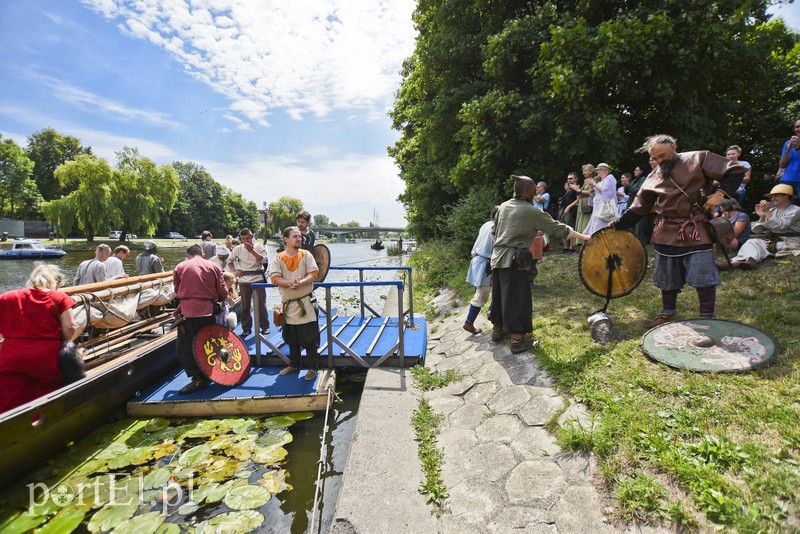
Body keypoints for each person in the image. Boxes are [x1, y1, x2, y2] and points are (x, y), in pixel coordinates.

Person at [613, 134, 746, 327]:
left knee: (703, 272)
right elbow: (637, 209)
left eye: (662, 155)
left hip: (696, 227)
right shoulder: (652, 177)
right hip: (665, 230)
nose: (659, 161)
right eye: (655, 158)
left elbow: (735, 171)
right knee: (666, 274)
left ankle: (707, 316)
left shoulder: (699, 158)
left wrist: (719, 194)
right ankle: (667, 312)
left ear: (674, 147)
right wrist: (615, 226)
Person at [489, 176, 590, 353]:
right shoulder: (530, 211)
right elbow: (557, 228)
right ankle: (516, 340)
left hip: (497, 259)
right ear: (529, 191)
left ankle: (497, 331)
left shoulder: (503, 206)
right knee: (517, 298)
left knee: (499, 295)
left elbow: (494, 231)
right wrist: (584, 237)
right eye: (533, 190)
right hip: (513, 261)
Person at [0, 264, 77, 413]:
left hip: (11, 353)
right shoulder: (59, 297)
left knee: (9, 394)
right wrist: (65, 343)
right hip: (47, 354)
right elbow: (70, 326)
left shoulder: (7, 296)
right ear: (56, 282)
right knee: (49, 394)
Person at [173, 245, 229, 394]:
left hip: (189, 312)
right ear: (202, 254)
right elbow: (222, 291)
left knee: (186, 347)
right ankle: (210, 371)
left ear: (188, 254)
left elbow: (177, 292)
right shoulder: (214, 266)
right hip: (208, 311)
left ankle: (198, 378)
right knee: (208, 342)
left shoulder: (180, 266)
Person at [269, 226, 320, 381]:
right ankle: (294, 365)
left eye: (299, 236)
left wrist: (301, 282)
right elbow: (274, 278)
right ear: (285, 239)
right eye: (295, 236)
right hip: (289, 304)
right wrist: (289, 283)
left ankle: (312, 368)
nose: (299, 239)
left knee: (310, 339)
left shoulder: (306, 254)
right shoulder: (278, 258)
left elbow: (314, 274)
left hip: (306, 303)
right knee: (291, 338)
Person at [719, 184, 800, 270]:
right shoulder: (773, 210)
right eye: (772, 196)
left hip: (789, 241)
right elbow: (757, 231)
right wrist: (762, 217)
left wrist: (767, 213)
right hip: (773, 241)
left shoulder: (795, 210)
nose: (772, 199)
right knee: (751, 242)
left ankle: (738, 263)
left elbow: (781, 226)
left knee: (759, 245)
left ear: (786, 196)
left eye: (776, 196)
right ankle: (742, 262)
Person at [229, 228, 270, 337]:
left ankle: (265, 326)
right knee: (245, 305)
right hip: (244, 280)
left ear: (252, 237)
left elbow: (264, 261)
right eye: (242, 239)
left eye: (247, 238)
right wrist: (235, 271)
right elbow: (230, 261)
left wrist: (252, 250)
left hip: (258, 278)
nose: (245, 241)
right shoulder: (237, 248)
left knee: (261, 304)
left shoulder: (259, 246)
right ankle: (246, 328)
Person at [463, 207, 498, 334]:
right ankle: (469, 323)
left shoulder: (486, 224)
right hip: (485, 263)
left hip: (477, 259)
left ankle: (491, 317)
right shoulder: (495, 229)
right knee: (481, 295)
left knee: (485, 292)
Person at [583, 163, 618, 234]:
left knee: (600, 226)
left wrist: (594, 183)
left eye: (598, 170)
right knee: (595, 225)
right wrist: (591, 186)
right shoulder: (601, 181)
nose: (596, 172)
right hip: (597, 207)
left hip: (604, 207)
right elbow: (594, 194)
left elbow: (606, 190)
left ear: (604, 170)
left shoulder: (610, 178)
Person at [777, 116, 800, 203]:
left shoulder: (796, 145)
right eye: (796, 127)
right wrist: (787, 151)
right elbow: (782, 165)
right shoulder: (788, 143)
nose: (798, 129)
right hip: (787, 181)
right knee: (785, 211)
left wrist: (798, 147)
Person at [574, 164, 595, 245]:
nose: (583, 173)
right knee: (582, 221)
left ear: (590, 171)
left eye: (585, 171)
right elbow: (581, 192)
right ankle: (582, 241)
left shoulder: (593, 180)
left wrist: (578, 190)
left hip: (588, 203)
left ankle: (587, 241)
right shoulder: (586, 180)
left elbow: (590, 192)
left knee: (586, 222)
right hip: (582, 202)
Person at [559, 172, 580, 253]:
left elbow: (578, 199)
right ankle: (565, 247)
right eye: (568, 178)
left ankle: (571, 247)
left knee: (571, 229)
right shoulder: (568, 189)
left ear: (576, 179)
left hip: (571, 211)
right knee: (562, 229)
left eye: (571, 178)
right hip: (564, 211)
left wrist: (569, 207)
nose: (569, 180)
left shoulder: (576, 188)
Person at [726, 145, 751, 209]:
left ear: (739, 154)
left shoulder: (744, 164)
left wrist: (732, 178)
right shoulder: (724, 165)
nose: (730, 156)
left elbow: (747, 179)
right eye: (728, 154)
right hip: (725, 190)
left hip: (739, 190)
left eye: (733, 154)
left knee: (736, 209)